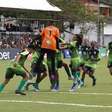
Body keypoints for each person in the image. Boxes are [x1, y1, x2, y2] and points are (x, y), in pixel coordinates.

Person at [35, 21, 60, 91]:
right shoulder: (55, 30)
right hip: (49, 58)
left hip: (53, 59)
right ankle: (53, 85)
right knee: (50, 72)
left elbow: (41, 37)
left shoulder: (45, 30)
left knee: (54, 72)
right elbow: (57, 40)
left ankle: (56, 85)